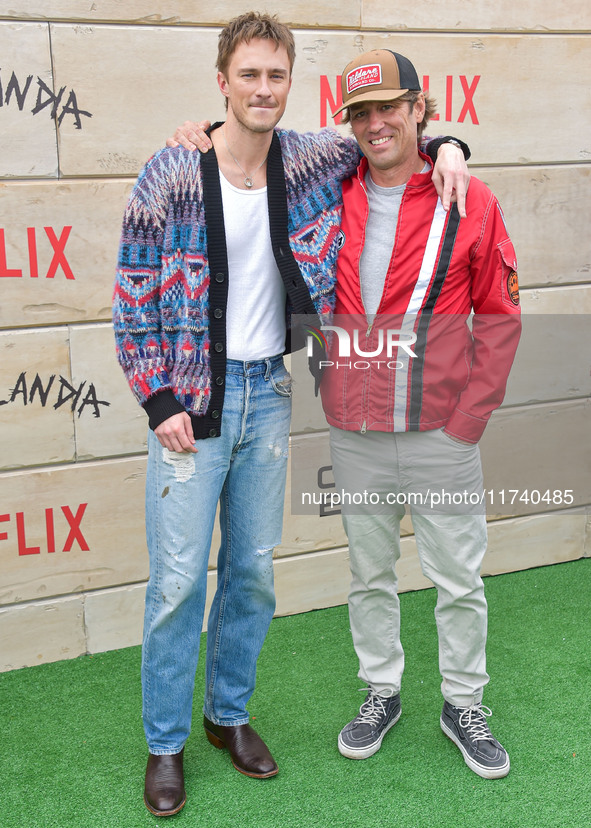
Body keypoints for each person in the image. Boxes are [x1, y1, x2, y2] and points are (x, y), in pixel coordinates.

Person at [114, 13, 470, 816]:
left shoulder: (312, 158)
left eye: (276, 76)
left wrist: (450, 147)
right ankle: (165, 742)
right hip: (189, 406)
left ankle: (226, 718)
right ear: (223, 83)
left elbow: (393, 141)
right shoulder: (171, 171)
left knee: (249, 574)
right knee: (175, 583)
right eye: (249, 75)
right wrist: (158, 397)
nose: (263, 89)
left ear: (289, 84)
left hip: (266, 396)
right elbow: (131, 294)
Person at [317, 49, 521, 779]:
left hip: (439, 430)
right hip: (355, 431)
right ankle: (382, 690)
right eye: (361, 112)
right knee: (369, 575)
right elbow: (258, 142)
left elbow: (499, 319)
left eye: (389, 108)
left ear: (417, 109)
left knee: (457, 580)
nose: (376, 124)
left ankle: (462, 702)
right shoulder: (327, 190)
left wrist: (468, 419)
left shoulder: (467, 197)